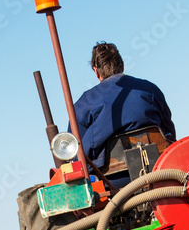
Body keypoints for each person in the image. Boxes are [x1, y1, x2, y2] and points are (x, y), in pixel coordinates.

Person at [71, 42, 176, 170]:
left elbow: (75, 148)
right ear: (122, 65)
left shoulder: (86, 101)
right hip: (158, 169)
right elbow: (168, 130)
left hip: (110, 180)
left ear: (96, 71)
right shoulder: (150, 89)